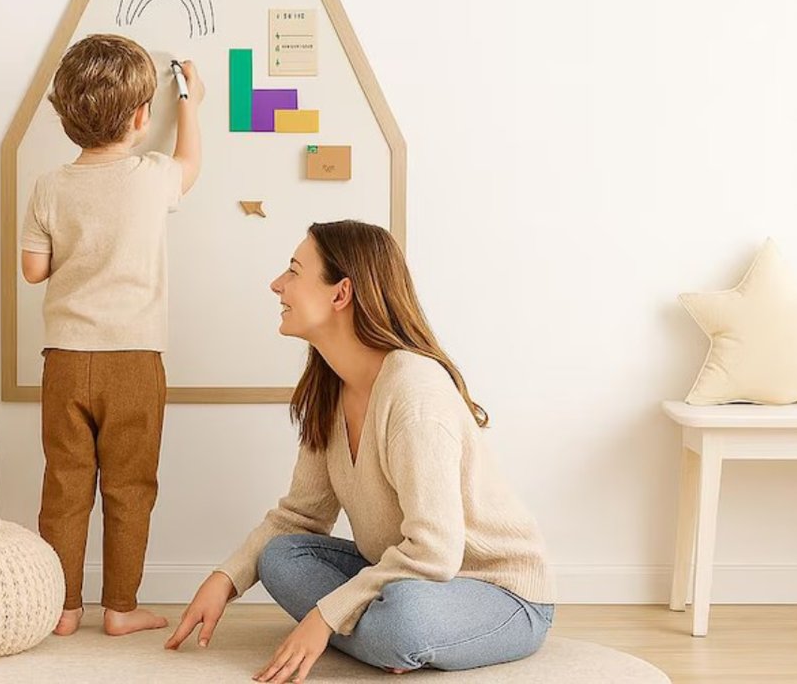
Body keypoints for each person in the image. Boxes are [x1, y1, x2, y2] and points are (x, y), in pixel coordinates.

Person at [167, 220, 554, 680]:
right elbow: (299, 517)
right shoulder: (332, 388)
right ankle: (380, 638)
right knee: (281, 557)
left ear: (340, 293)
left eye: (293, 271)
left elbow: (435, 553)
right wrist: (225, 579)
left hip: (498, 592)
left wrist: (324, 617)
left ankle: (383, 637)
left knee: (405, 617)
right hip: (402, 576)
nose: (277, 284)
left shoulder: (414, 393)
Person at [20, 33, 203, 637]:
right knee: (130, 485)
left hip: (67, 358)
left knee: (66, 484)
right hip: (134, 358)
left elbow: (33, 270)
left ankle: (63, 608)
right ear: (143, 117)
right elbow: (191, 167)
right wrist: (193, 106)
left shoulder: (49, 185)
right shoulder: (152, 177)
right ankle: (120, 608)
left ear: (67, 118)